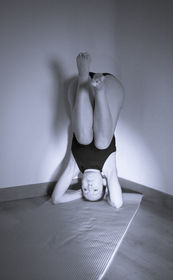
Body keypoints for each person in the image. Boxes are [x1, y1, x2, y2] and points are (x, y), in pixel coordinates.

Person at [51, 52, 124, 208]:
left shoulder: (74, 167)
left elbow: (56, 199)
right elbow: (117, 203)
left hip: (79, 89)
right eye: (95, 189)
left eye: (85, 189)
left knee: (83, 138)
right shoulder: (109, 169)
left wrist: (79, 194)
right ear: (104, 185)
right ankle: (100, 91)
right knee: (103, 143)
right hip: (110, 86)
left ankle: (84, 75)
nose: (89, 187)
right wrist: (106, 196)